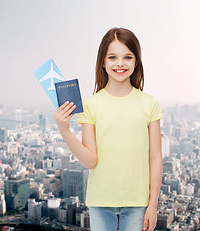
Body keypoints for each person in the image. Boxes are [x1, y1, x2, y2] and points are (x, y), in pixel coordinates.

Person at [54, 27, 162, 231]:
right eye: (112, 57)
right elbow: (91, 160)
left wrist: (153, 206)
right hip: (100, 202)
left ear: (136, 61)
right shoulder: (91, 105)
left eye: (127, 57)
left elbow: (155, 157)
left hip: (138, 202)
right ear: (102, 62)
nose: (120, 63)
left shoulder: (149, 104)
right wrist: (65, 130)